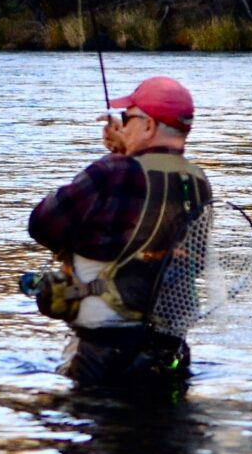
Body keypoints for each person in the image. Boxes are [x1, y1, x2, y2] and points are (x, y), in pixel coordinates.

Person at [26, 75, 213, 395]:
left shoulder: (110, 173)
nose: (121, 125)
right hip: (170, 355)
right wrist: (128, 154)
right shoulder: (197, 183)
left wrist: (119, 158)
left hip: (102, 359)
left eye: (128, 118)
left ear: (149, 126)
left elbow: (43, 223)